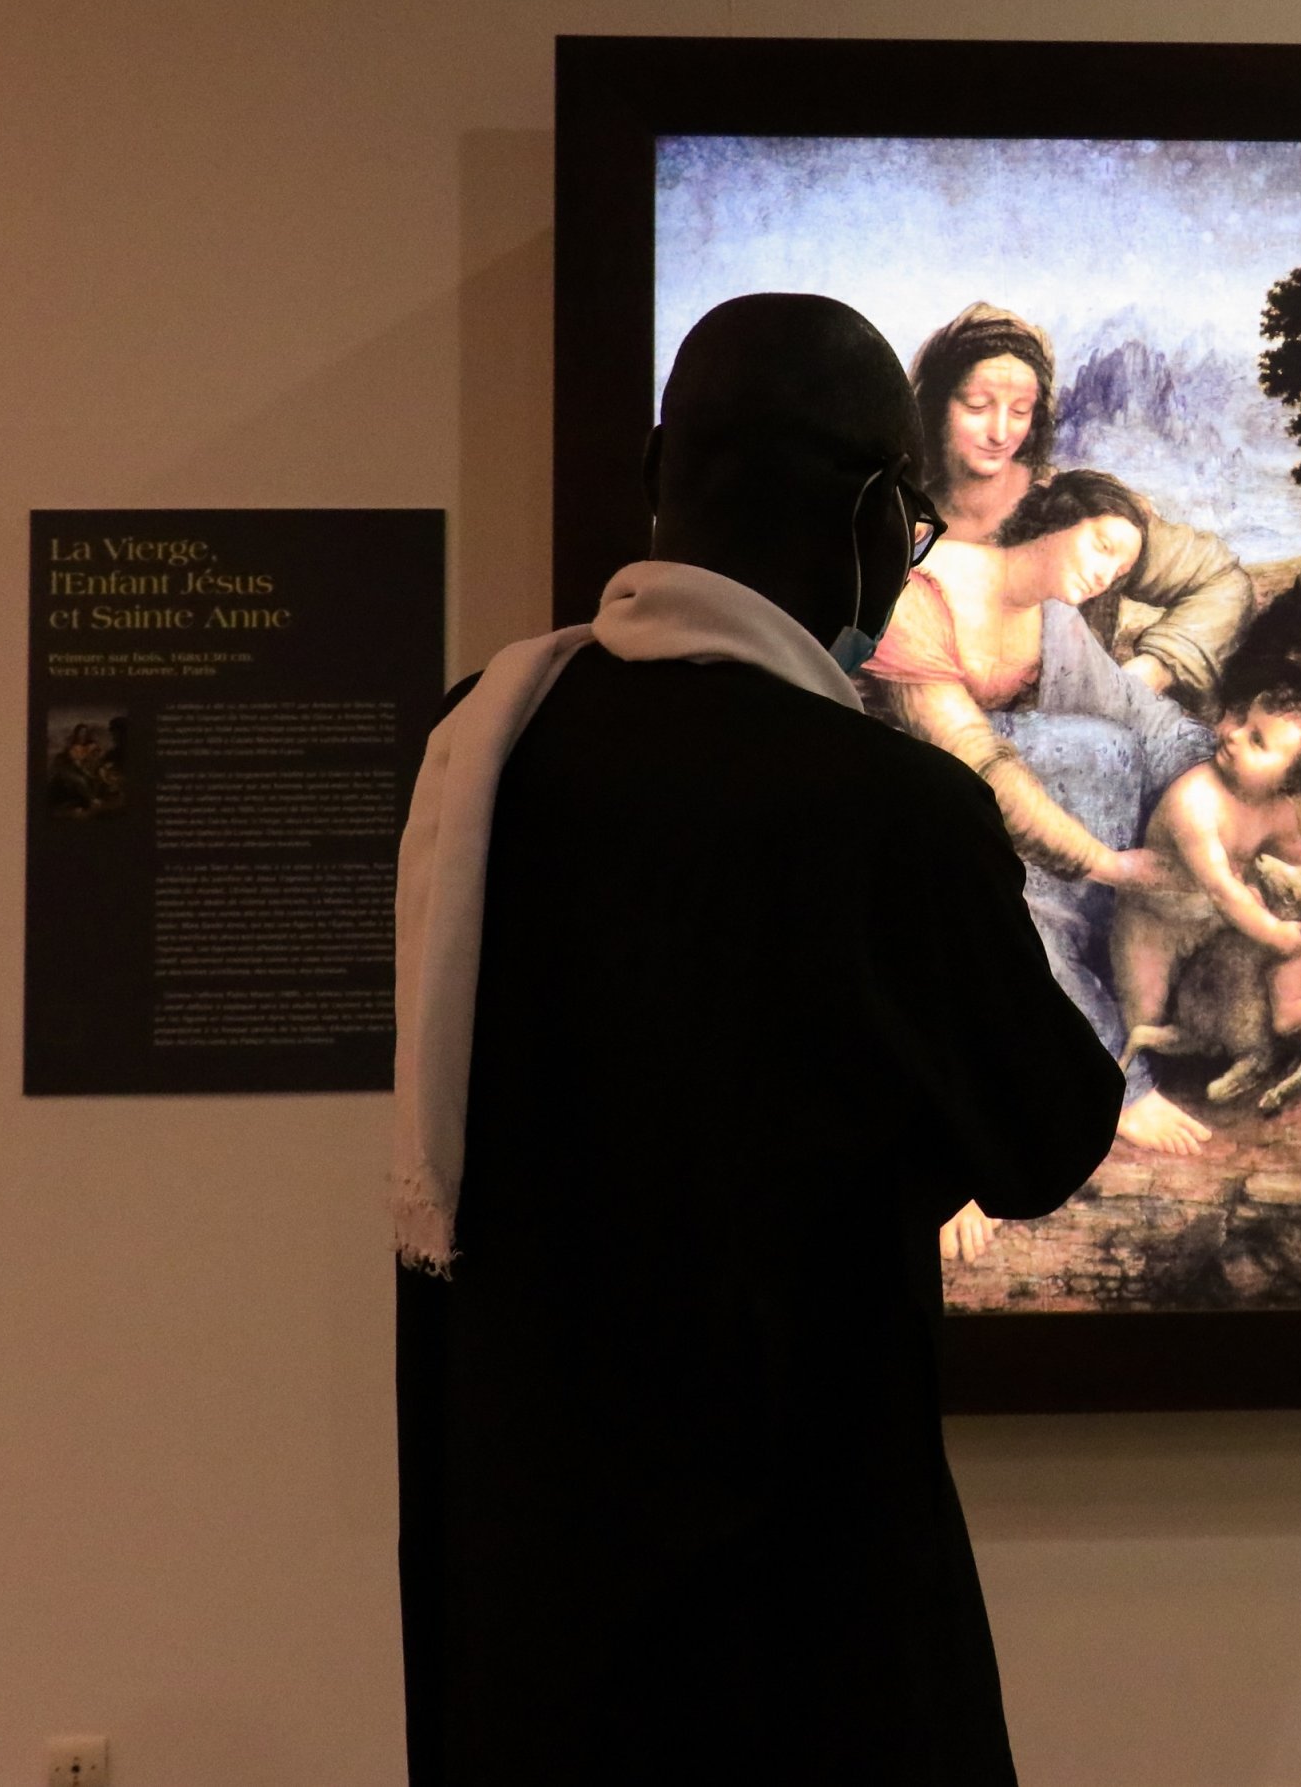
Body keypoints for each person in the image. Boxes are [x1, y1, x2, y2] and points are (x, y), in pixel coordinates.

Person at [391, 293, 1123, 1784]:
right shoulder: (884, 807)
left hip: (536, 1536)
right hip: (802, 1558)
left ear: (665, 467)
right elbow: (1044, 1132)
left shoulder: (482, 739)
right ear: (874, 513)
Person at [862, 469, 1230, 1181]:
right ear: (1057, 518)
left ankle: (1092, 1014)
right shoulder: (918, 585)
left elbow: (1140, 715)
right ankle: (1103, 1072)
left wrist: (1205, 786)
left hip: (991, 822)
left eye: (1121, 567)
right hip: (901, 814)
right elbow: (975, 761)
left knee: (1109, 747)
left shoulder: (1054, 619)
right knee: (1016, 883)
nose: (1104, 573)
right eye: (1099, 545)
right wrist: (1104, 861)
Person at [910, 301, 1255, 707]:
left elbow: (1223, 582)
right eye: (977, 406)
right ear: (936, 408)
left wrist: (1151, 669)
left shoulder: (1081, 511)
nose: (1000, 432)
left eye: (1020, 411)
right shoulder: (899, 513)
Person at [1111, 685, 1301, 1064]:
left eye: (1256, 740)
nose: (1233, 735)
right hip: (1156, 920)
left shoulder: (1277, 811)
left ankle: (1288, 1007)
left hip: (1222, 918)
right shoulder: (1195, 799)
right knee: (1145, 1015)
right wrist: (1270, 932)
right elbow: (1220, 888)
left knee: (1294, 932)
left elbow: (1298, 854)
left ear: (1285, 781)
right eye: (1242, 721)